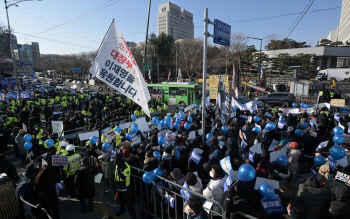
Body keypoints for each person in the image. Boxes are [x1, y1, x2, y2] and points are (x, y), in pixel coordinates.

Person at [114, 152, 136, 219]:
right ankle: (122, 210)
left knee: (129, 203)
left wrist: (120, 173)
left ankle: (133, 216)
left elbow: (125, 178)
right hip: (118, 185)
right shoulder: (118, 164)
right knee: (121, 200)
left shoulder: (126, 167)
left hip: (125, 187)